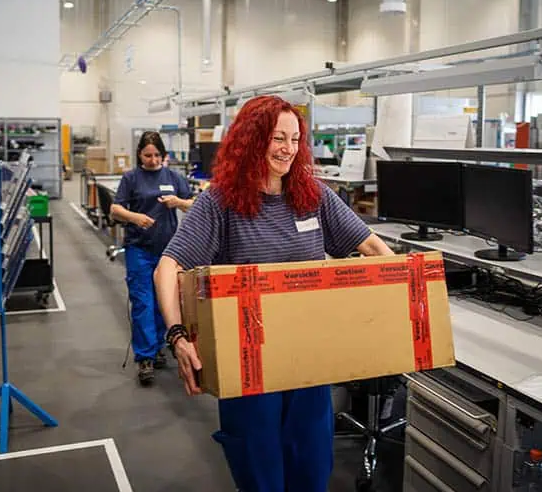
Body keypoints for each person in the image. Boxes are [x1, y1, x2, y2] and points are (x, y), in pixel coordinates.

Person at [153, 96, 393, 492]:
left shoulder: (312, 195)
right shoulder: (221, 202)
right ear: (252, 140)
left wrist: (400, 297)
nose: (288, 148)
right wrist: (177, 336)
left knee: (311, 466)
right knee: (260, 471)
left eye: (295, 139)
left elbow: (371, 246)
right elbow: (168, 267)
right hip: (248, 363)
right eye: (278, 138)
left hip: (309, 360)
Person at [112, 131, 195, 385]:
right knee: (143, 302)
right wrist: (135, 217)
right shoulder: (131, 178)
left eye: (157, 155)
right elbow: (115, 209)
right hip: (139, 249)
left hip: (169, 251)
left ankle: (158, 344)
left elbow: (194, 205)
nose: (153, 160)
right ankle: (145, 357)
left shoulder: (174, 177)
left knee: (165, 301)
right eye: (148, 155)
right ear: (140, 154)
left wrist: (177, 201)